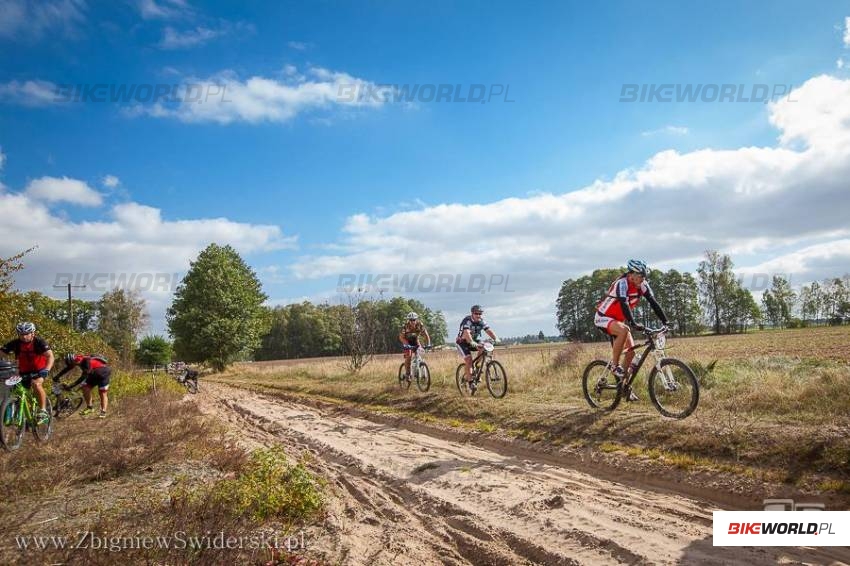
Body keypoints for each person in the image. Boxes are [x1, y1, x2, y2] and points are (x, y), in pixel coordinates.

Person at [594, 259, 669, 401]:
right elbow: (623, 303)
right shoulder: (621, 283)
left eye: (644, 276)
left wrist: (666, 321)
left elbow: (653, 302)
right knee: (624, 330)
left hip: (617, 321)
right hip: (603, 317)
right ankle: (615, 366)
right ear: (631, 275)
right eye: (641, 275)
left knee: (631, 353)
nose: (643, 278)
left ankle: (624, 388)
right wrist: (633, 323)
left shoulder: (642, 285)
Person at [1, 322, 54, 424]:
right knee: (14, 389)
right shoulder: (15, 343)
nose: (24, 336)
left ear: (32, 333)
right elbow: (1, 353)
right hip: (23, 372)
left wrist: (46, 370)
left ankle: (43, 410)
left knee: (36, 384)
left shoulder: (39, 342)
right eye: (21, 334)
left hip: (40, 371)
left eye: (27, 334)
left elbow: (50, 356)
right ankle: (18, 414)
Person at [53, 353, 111, 418]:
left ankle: (103, 412)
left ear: (73, 361)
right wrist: (57, 376)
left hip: (103, 372)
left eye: (71, 364)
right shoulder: (76, 360)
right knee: (85, 387)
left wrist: (71, 385)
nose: (71, 366)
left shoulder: (86, 361)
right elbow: (67, 369)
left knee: (102, 393)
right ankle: (90, 407)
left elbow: (82, 377)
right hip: (93, 373)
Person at [455, 305, 499, 393]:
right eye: (476, 313)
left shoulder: (481, 321)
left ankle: (478, 366)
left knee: (484, 347)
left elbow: (488, 330)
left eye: (480, 314)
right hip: (462, 342)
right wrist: (471, 342)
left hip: (474, 341)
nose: (478, 315)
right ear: (472, 313)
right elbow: (466, 332)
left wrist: (495, 338)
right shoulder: (467, 320)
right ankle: (470, 381)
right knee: (468, 359)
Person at [399, 312, 431, 381]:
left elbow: (426, 335)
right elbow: (401, 337)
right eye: (411, 320)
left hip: (415, 340)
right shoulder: (405, 326)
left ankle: (420, 371)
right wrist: (407, 345)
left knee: (419, 353)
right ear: (408, 320)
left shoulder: (420, 325)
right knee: (409, 356)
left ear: (416, 320)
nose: (412, 321)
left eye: (414, 320)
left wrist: (428, 344)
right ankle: (407, 374)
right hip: (406, 341)